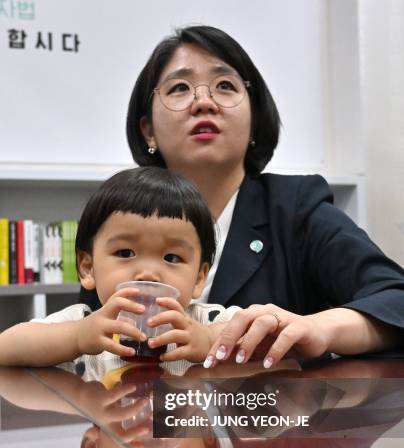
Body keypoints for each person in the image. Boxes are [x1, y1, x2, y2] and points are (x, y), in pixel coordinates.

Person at [124, 24, 404, 369]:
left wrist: (317, 328)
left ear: (255, 120)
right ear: (148, 129)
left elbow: (396, 300)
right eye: (179, 88)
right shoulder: (123, 215)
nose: (204, 102)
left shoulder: (296, 207)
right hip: (146, 415)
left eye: (224, 86)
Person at [0, 167, 239, 368]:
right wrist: (77, 338)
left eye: (172, 258)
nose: (148, 274)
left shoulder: (206, 321)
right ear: (88, 268)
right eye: (125, 253)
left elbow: (264, 336)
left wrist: (209, 339)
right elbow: (5, 348)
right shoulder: (84, 323)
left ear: (199, 278)